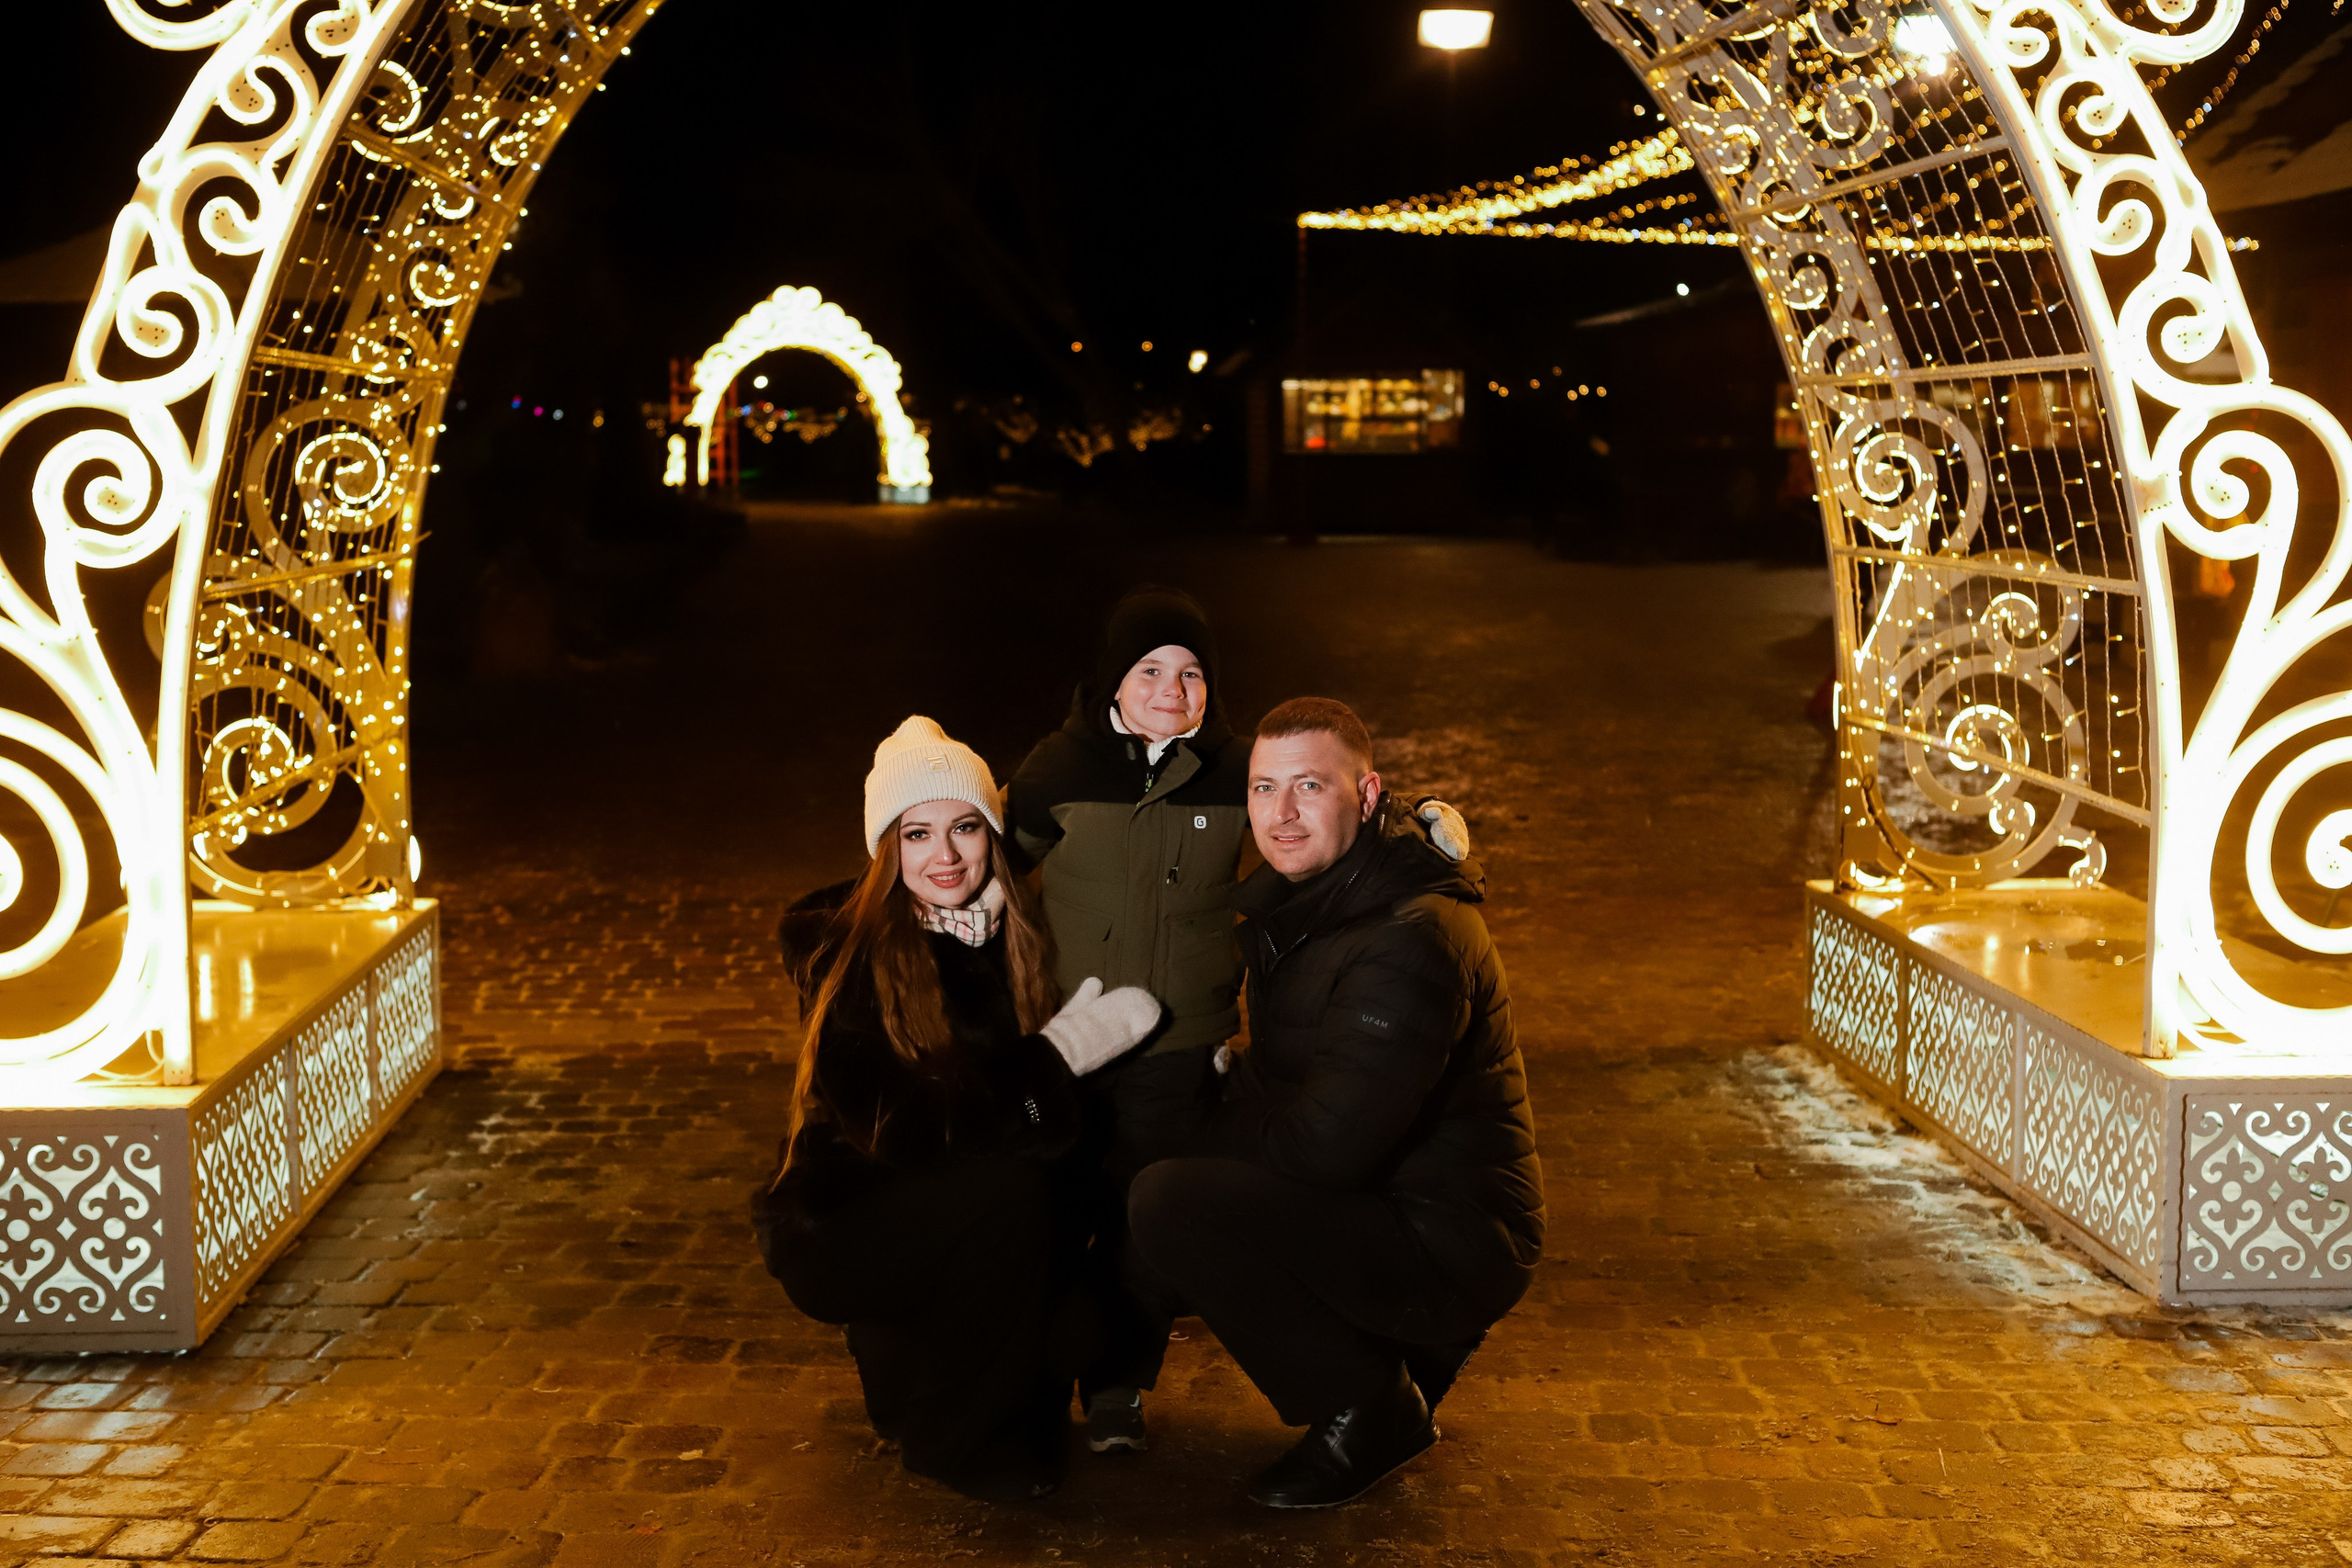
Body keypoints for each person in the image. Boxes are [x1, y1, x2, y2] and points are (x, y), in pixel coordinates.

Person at [1005, 590, 1473, 1455]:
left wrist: (1421, 835)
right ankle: (1029, 1378)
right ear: (1113, 679)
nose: (1171, 689)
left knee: (1141, 1216)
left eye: (1191, 674)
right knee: (1053, 1204)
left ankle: (1115, 1383)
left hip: (1179, 1042)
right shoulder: (1057, 770)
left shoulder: (1233, 771)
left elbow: (1322, 820)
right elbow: (992, 858)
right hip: (1069, 1037)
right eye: (1150, 670)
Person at [1127, 696, 1544, 1509]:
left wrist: (1201, 1125)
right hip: (1400, 1201)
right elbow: (1291, 1079)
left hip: (1452, 1237)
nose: (1280, 814)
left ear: (1367, 793)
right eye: (1264, 788)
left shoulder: (1410, 934)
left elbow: (1329, 1145)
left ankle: (1370, 1409)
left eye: (1309, 786)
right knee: (1156, 1167)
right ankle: (1391, 1359)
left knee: (1173, 1200)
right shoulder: (1319, 901)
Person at [753, 716, 1161, 1503]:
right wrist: (1050, 1062)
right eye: (917, 834)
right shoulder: (847, 948)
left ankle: (922, 1367)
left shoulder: (1023, 936)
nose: (944, 855)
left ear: (991, 835)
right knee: (1006, 1193)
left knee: (1073, 1296)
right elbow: (903, 1130)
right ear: (888, 848)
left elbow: (1061, 1135)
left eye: (964, 827)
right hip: (848, 1220)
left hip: (970, 1215)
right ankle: (960, 1443)